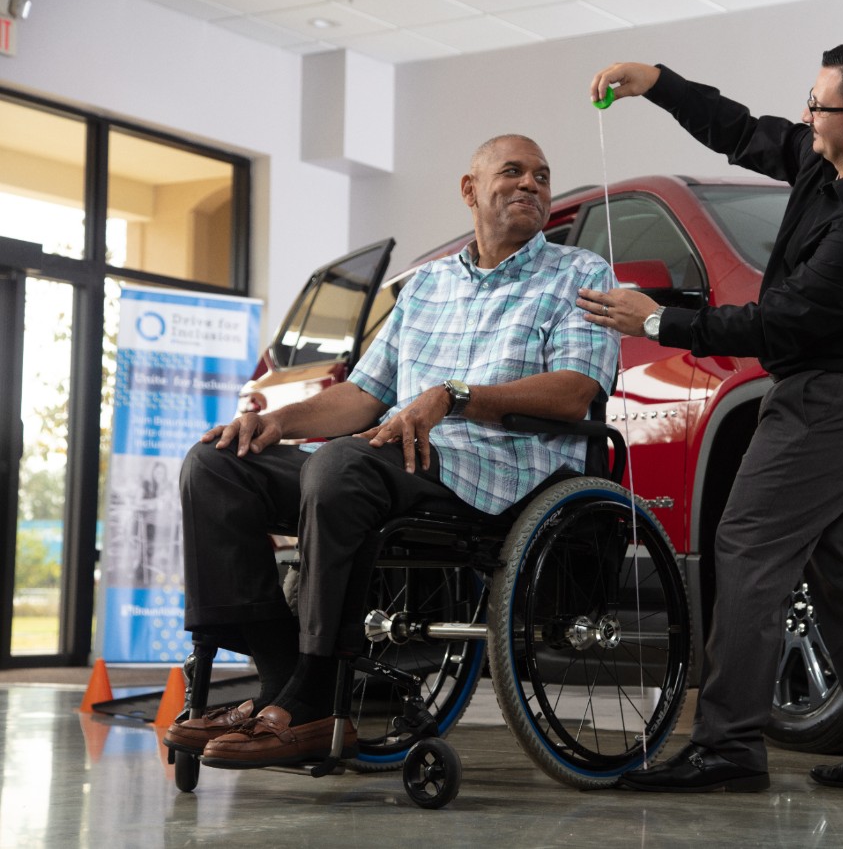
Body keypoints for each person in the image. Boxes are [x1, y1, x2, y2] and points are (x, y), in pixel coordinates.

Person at [164, 134, 619, 768]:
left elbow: (575, 392)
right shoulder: (428, 285)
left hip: (501, 467)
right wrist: (275, 421)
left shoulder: (580, 273)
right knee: (216, 464)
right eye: (512, 171)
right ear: (470, 190)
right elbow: (362, 395)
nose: (530, 185)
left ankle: (312, 696)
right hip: (395, 457)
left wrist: (453, 397)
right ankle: (283, 674)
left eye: (541, 176)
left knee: (342, 464)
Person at [578, 40, 843, 794]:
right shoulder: (829, 161)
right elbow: (742, 131)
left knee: (747, 546)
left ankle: (729, 747)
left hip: (833, 404)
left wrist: (656, 322)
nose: (806, 115)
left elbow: (779, 323)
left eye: (821, 106)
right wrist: (658, 83)